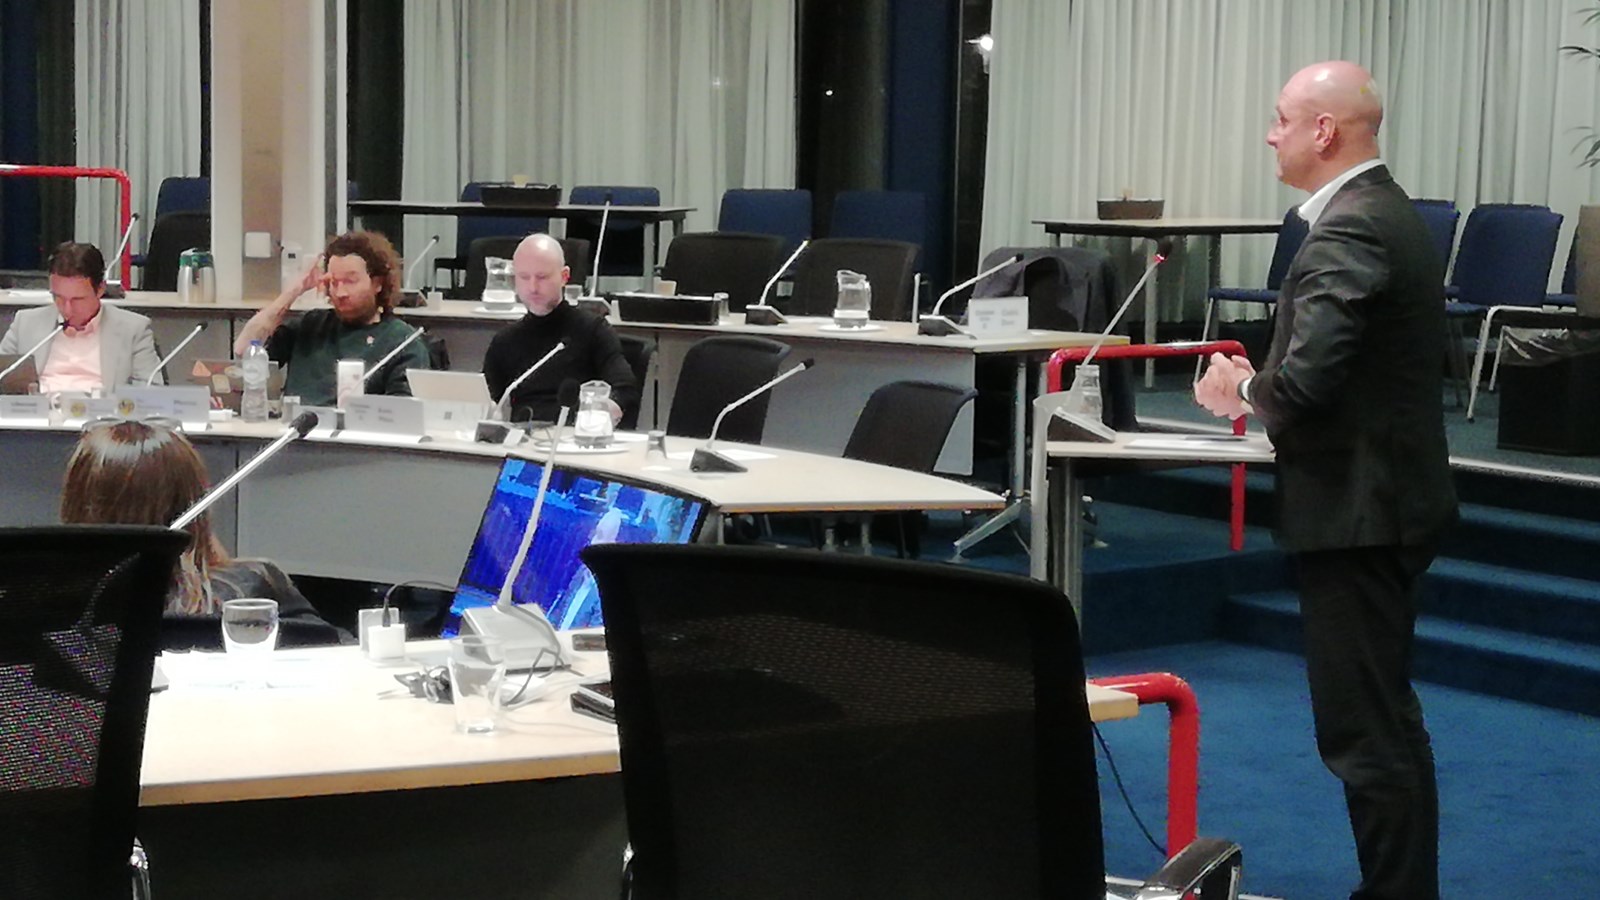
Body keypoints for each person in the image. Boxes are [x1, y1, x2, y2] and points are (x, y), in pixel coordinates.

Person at [1195, 61, 1457, 900]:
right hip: (1379, 503)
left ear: (1323, 131)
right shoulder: (1382, 211)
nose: (1269, 134)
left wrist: (1240, 390)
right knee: (1382, 723)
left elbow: (1306, 384)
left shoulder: (1352, 227)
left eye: (1281, 119)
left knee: (1366, 734)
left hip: (1361, 513)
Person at [59, 418, 344, 637]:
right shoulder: (254, 586)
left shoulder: (53, 602)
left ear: (78, 503)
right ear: (194, 498)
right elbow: (333, 647)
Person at [234, 230, 430, 406]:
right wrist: (294, 291)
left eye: (350, 281)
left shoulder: (402, 340)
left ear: (377, 283)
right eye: (334, 282)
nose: (340, 292)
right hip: (297, 429)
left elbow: (402, 414)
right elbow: (244, 349)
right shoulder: (311, 324)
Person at [481, 234, 638, 424]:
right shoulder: (505, 340)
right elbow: (485, 399)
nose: (533, 287)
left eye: (542, 277)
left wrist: (598, 416)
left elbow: (625, 391)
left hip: (575, 435)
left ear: (564, 276)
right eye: (524, 277)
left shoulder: (593, 330)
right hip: (522, 435)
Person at [0, 241, 161, 392]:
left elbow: (151, 391)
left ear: (100, 290)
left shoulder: (133, 329)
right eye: (58, 297)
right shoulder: (25, 323)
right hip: (38, 410)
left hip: (101, 411)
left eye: (77, 299)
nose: (67, 309)